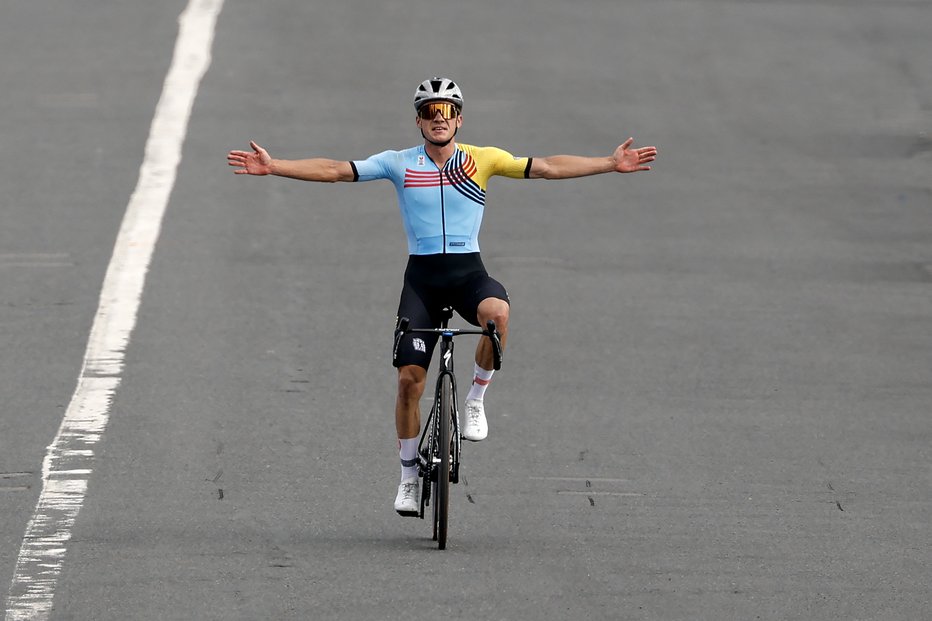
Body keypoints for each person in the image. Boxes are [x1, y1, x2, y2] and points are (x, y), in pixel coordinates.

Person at [227, 77, 657, 516]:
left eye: (447, 111)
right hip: (423, 280)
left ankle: (474, 400)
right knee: (409, 380)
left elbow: (546, 166)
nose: (439, 119)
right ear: (418, 120)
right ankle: (408, 477)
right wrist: (275, 165)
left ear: (459, 119)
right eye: (430, 112)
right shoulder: (398, 163)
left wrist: (608, 162)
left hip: (467, 272)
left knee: (497, 314)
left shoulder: (482, 160)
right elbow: (338, 170)